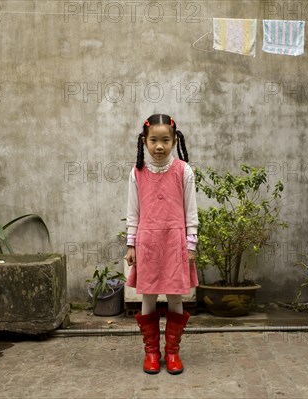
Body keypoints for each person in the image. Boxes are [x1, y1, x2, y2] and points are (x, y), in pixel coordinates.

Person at [124, 113, 198, 375]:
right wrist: (131, 244)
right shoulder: (137, 172)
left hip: (175, 241)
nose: (159, 146)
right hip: (147, 242)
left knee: (177, 296)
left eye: (165, 140)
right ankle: (152, 353)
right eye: (153, 140)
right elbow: (133, 212)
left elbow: (191, 210)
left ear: (174, 141)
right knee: (149, 296)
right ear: (144, 141)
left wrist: (191, 243)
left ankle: (173, 353)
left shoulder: (183, 170)